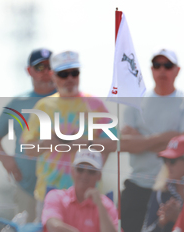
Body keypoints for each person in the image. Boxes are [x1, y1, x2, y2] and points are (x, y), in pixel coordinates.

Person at [116, 49, 184, 232]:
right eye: (157, 65)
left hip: (171, 188)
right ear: (151, 70)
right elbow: (126, 144)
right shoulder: (134, 102)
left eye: (168, 66)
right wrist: (168, 138)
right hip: (137, 183)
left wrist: (141, 140)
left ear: (177, 70)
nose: (162, 70)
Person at [21, 51, 116, 220]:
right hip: (49, 192)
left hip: (87, 195)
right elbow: (28, 148)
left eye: (74, 73)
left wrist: (82, 143)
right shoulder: (43, 106)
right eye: (63, 74)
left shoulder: (95, 104)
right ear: (53, 75)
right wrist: (47, 143)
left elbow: (114, 143)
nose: (70, 78)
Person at [0, 48, 56, 222]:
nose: (46, 72)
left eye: (50, 66)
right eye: (40, 67)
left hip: (62, 186)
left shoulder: (68, 100)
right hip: (27, 187)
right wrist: (7, 161)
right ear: (29, 71)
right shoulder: (19, 103)